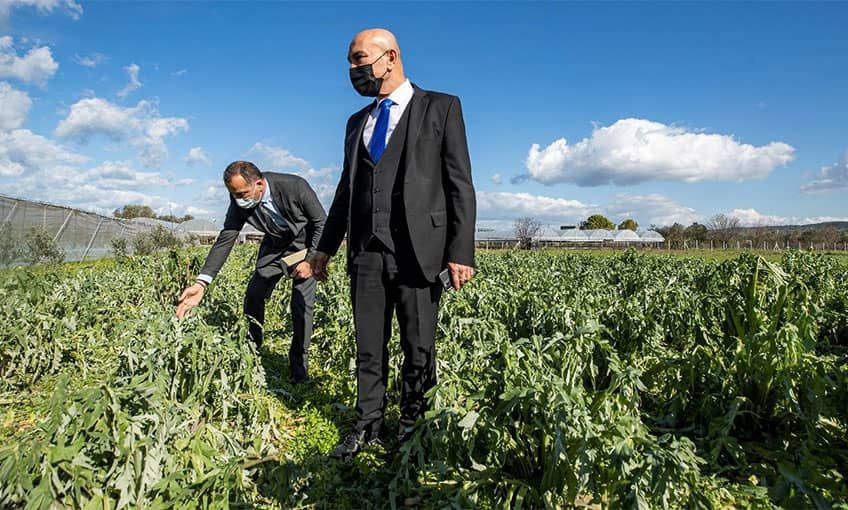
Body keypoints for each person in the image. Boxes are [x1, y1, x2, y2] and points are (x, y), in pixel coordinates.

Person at [311, 28, 477, 458]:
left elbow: (460, 184)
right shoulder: (356, 123)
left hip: (420, 251)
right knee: (368, 345)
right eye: (350, 61)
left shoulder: (441, 107)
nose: (353, 69)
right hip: (366, 251)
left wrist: (460, 252)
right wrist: (324, 247)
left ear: (390, 58)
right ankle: (367, 423)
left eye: (358, 58)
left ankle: (412, 425)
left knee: (418, 345)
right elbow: (345, 191)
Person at [176, 161, 326, 384]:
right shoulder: (239, 200)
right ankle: (252, 351)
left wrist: (311, 260)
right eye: (233, 194)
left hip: (306, 247)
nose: (238, 199)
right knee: (254, 294)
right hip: (275, 247)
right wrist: (202, 283)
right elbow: (227, 237)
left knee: (301, 305)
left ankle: (299, 369)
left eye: (242, 194)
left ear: (259, 184)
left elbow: (321, 222)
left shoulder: (294, 186)